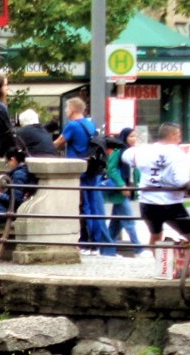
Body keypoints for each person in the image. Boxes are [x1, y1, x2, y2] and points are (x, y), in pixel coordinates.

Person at [127, 121, 190, 278]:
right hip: (170, 202)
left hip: (147, 201)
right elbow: (179, 180)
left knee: (155, 234)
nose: (180, 138)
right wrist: (189, 183)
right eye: (179, 135)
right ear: (173, 135)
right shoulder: (176, 153)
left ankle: (163, 266)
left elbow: (127, 156)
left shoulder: (144, 150)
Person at [58, 96, 112, 256]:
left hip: (78, 170)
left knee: (83, 206)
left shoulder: (72, 126)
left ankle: (85, 243)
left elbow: (59, 142)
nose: (66, 111)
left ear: (73, 109)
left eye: (67, 108)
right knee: (93, 206)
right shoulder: (90, 123)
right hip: (92, 169)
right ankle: (95, 243)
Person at [103, 126, 143, 256]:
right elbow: (111, 169)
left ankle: (107, 249)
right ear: (124, 137)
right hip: (121, 189)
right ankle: (138, 247)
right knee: (129, 220)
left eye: (135, 136)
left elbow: (135, 170)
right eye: (131, 136)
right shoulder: (119, 150)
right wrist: (122, 185)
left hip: (127, 188)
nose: (133, 139)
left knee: (117, 222)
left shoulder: (132, 152)